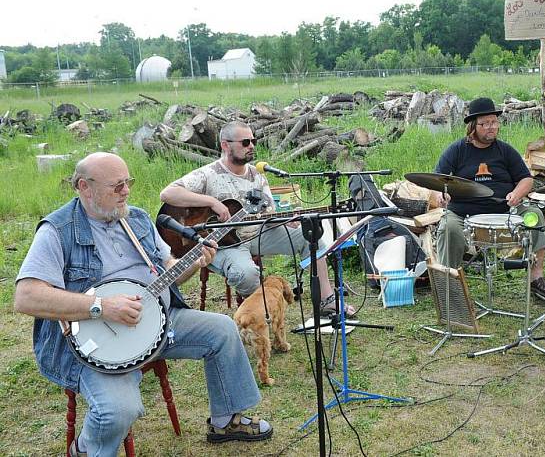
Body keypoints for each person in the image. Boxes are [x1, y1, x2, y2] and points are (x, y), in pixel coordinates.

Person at [14, 153, 272, 457]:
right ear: (84, 187)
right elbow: (26, 296)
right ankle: (85, 449)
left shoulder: (135, 218)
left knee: (223, 330)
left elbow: (170, 269)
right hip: (97, 340)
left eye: (128, 182)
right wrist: (101, 306)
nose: (126, 191)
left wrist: (193, 262)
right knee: (118, 410)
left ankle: (226, 421)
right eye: (117, 186)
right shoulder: (58, 230)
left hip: (159, 318)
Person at [159, 121, 354, 317]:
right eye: (245, 142)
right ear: (225, 145)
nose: (251, 146)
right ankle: (256, 315)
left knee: (309, 236)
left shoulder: (257, 176)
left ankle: (326, 301)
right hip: (220, 243)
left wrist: (287, 219)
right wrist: (211, 201)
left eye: (253, 141)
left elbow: (269, 212)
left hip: (257, 233)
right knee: (246, 274)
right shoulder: (208, 174)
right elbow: (168, 194)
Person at [431, 97, 545, 303]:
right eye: (485, 123)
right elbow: (438, 181)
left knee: (534, 216)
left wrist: (517, 194)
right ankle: (450, 286)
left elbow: (526, 178)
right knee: (448, 228)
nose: (492, 127)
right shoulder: (456, 150)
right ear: (473, 126)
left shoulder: (504, 150)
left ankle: (537, 279)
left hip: (505, 210)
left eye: (494, 122)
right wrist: (440, 195)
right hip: (464, 213)